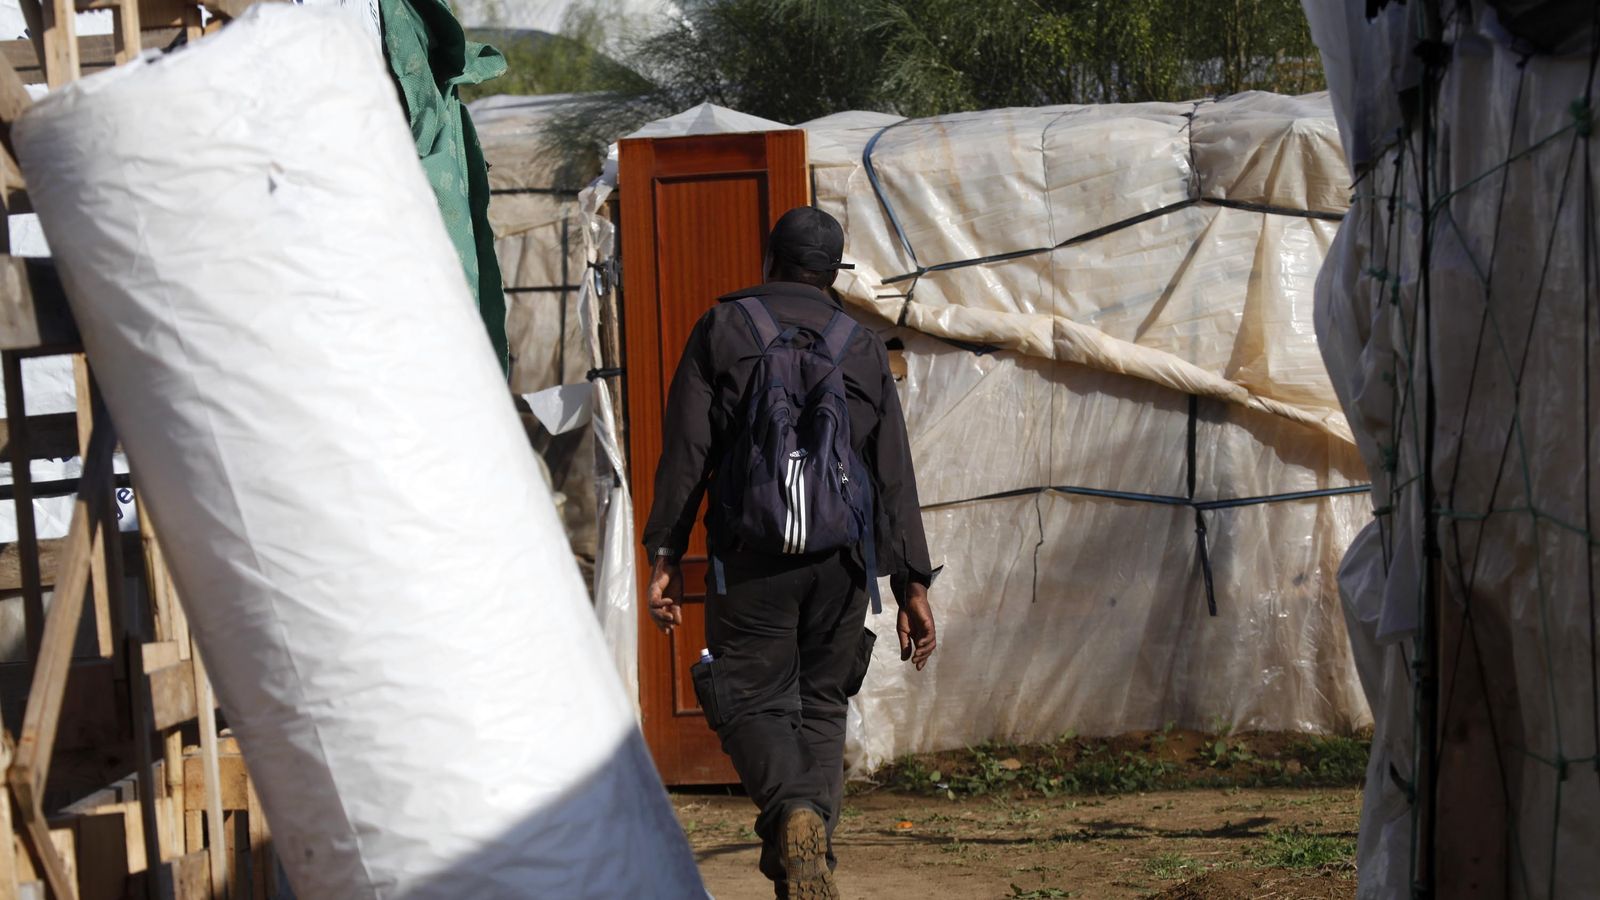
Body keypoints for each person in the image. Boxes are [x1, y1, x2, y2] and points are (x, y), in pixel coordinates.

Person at [643, 206, 937, 899]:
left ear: (768, 259)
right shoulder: (860, 343)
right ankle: (807, 846)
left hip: (751, 557)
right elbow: (892, 468)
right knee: (822, 703)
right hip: (841, 563)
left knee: (749, 699)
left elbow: (688, 450)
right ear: (833, 272)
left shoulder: (724, 327)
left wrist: (664, 550)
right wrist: (912, 585)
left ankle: (794, 814)